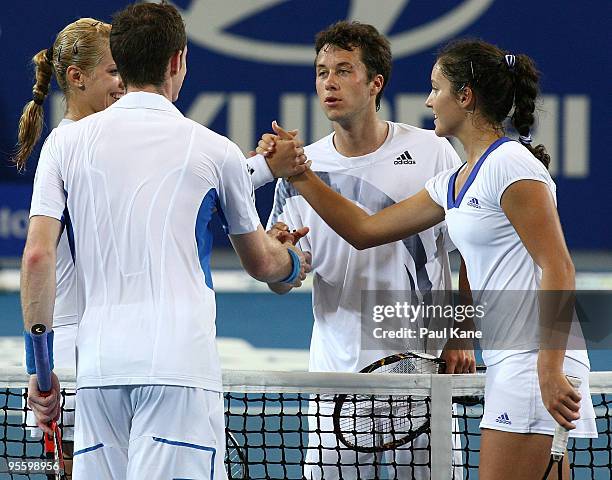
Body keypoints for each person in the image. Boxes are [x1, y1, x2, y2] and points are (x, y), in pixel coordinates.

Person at [281, 38, 597, 479]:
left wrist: (547, 367)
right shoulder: (453, 181)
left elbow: (558, 266)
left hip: (534, 356)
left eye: (436, 89)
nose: (428, 100)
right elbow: (364, 231)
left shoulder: (510, 164)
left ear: (464, 97)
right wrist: (300, 173)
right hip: (511, 357)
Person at [21, 3, 309, 479]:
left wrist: (42, 368)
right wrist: (295, 262)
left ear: (124, 60)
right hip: (179, 368)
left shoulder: (64, 144)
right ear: (177, 61)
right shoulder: (215, 149)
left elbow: (36, 256)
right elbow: (261, 263)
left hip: (98, 371)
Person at [255, 21, 474, 479]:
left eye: (343, 70)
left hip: (422, 371)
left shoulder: (431, 152)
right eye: (320, 72)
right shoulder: (304, 167)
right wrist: (280, 260)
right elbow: (283, 278)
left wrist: (462, 332)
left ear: (375, 83)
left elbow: (469, 249)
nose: (328, 82)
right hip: (338, 375)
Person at [15, 18, 125, 477]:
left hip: (79, 364)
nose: (124, 83)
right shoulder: (75, 145)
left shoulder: (72, 144)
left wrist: (38, 368)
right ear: (76, 78)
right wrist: (41, 370)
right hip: (81, 366)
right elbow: (38, 258)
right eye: (114, 71)